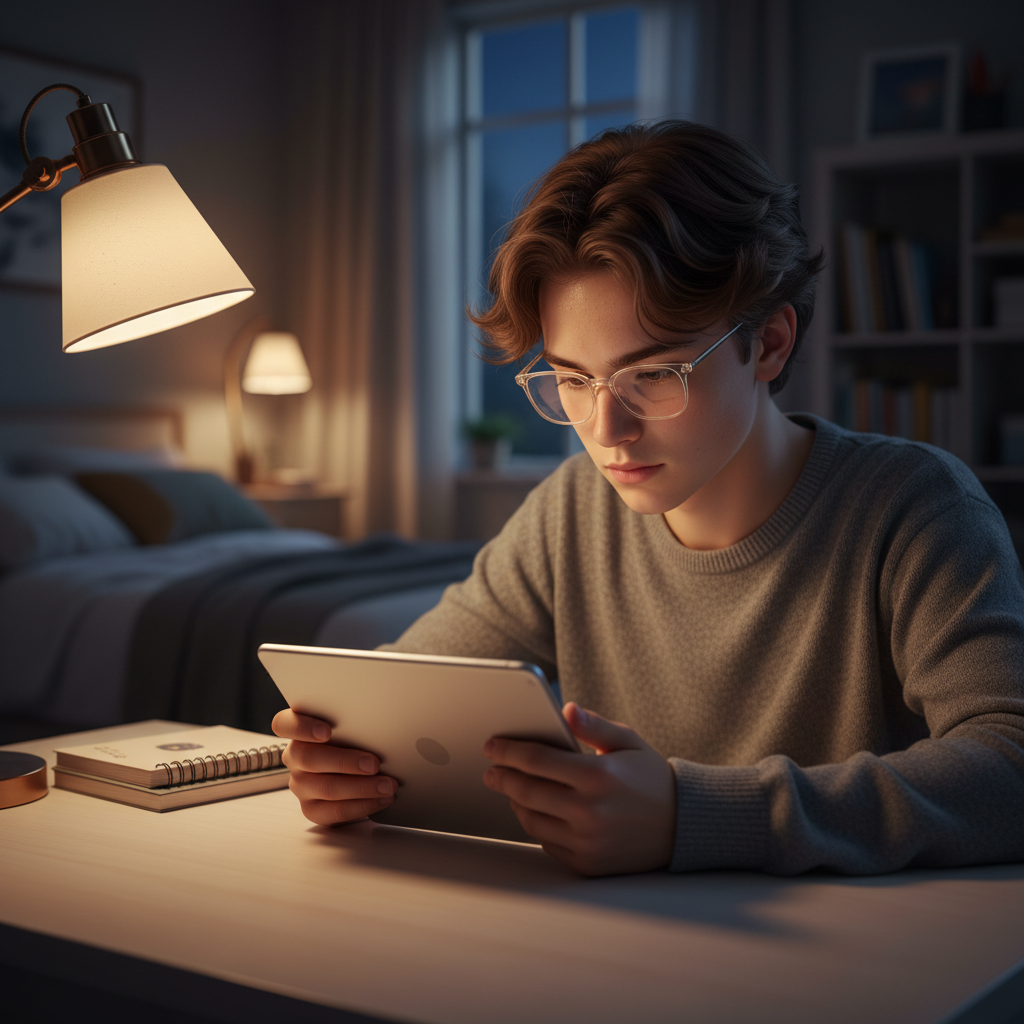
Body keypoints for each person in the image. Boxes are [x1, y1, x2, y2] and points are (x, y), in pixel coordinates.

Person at [273, 121, 1024, 877]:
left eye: (655, 374)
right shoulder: (571, 510)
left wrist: (693, 815)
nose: (606, 431)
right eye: (572, 379)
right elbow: (406, 692)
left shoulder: (917, 508)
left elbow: (1009, 765)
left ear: (768, 343)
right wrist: (342, 756)